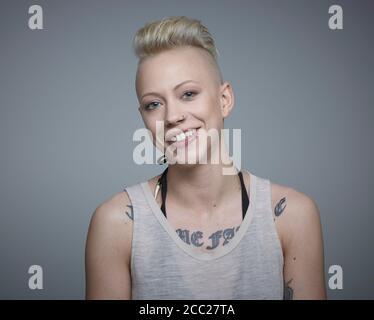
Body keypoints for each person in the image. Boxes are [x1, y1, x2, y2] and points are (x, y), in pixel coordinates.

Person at [85, 16, 326, 300]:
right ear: (144, 118)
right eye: (154, 104)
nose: (172, 116)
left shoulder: (291, 216)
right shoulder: (117, 223)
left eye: (188, 94)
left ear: (224, 100)